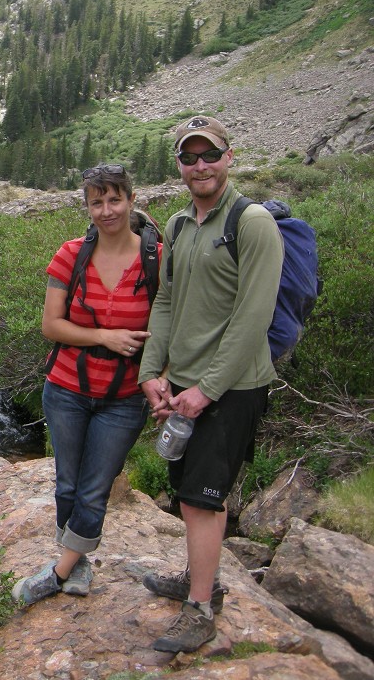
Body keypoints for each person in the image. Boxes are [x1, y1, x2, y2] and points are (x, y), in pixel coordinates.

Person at [138, 116, 283, 653]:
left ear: (228, 156)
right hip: (185, 385)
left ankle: (199, 607)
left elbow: (253, 316)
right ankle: (203, 578)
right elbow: (168, 302)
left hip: (233, 386)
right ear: (178, 165)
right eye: (189, 157)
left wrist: (208, 389)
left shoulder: (253, 223)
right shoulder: (177, 226)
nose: (200, 165)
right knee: (190, 490)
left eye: (209, 154)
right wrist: (152, 372)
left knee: (202, 498)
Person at [13, 164, 160, 606]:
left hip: (125, 397)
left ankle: (56, 573)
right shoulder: (71, 254)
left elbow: (171, 325)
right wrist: (104, 336)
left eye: (115, 199)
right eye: (97, 201)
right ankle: (77, 562)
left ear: (131, 201)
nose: (106, 210)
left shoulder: (157, 260)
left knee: (95, 487)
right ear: (88, 206)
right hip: (66, 389)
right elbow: (51, 326)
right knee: (67, 484)